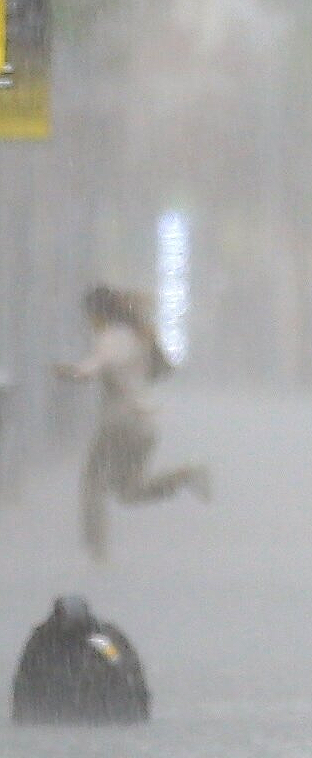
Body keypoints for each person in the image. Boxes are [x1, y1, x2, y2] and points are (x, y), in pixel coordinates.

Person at [55, 286, 210, 563]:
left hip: (120, 423)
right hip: (145, 425)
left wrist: (71, 372)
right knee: (128, 491)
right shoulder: (138, 336)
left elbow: (97, 365)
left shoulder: (115, 337)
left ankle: (97, 549)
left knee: (92, 482)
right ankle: (185, 475)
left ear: (98, 312)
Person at [12, 595, 150, 725]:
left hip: (97, 712)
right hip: (56, 712)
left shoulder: (100, 640)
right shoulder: (43, 641)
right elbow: (26, 676)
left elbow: (121, 667)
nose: (72, 627)